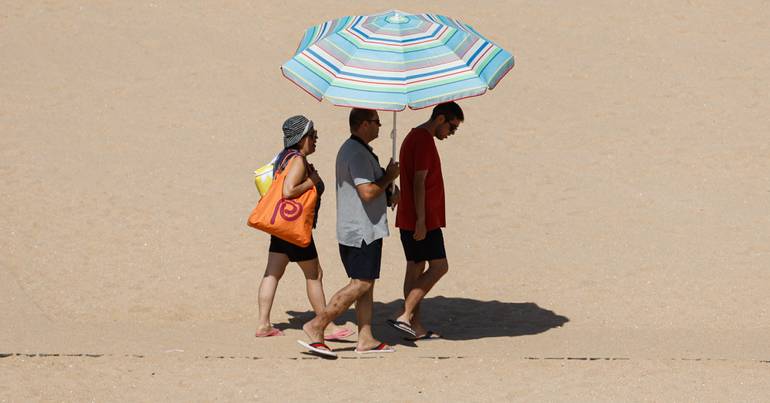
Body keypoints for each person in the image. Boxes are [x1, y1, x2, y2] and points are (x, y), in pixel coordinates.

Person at [298, 108, 400, 357]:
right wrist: (388, 177)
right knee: (360, 283)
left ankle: (365, 338)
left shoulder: (359, 150)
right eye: (376, 122)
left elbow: (371, 189)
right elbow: (367, 192)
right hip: (360, 230)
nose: (379, 126)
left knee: (366, 285)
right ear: (364, 124)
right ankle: (317, 324)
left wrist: (389, 188)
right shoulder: (356, 153)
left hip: (364, 228)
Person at [255, 115, 353, 341]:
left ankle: (263, 324)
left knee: (272, 273)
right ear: (301, 138)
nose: (316, 138)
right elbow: (288, 191)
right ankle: (326, 326)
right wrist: (313, 180)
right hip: (295, 229)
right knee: (314, 275)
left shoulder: (283, 157)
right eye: (312, 135)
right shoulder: (297, 160)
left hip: (281, 227)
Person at [388, 102, 464, 341]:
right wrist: (421, 220)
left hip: (411, 217)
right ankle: (404, 314)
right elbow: (419, 181)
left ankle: (414, 326)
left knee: (415, 267)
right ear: (440, 119)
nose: (451, 133)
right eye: (452, 127)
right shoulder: (423, 140)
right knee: (440, 266)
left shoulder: (415, 137)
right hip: (423, 219)